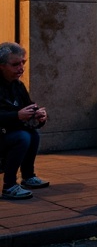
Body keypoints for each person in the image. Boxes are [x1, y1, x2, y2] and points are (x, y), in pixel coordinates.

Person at [0, 42, 49, 200]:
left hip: (8, 132)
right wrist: (17, 116)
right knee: (23, 137)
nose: (21, 68)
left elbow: (28, 108)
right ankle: (9, 185)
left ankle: (28, 176)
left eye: (23, 63)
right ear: (1, 66)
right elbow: (16, 115)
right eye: (15, 64)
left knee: (32, 133)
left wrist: (38, 117)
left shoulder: (17, 85)